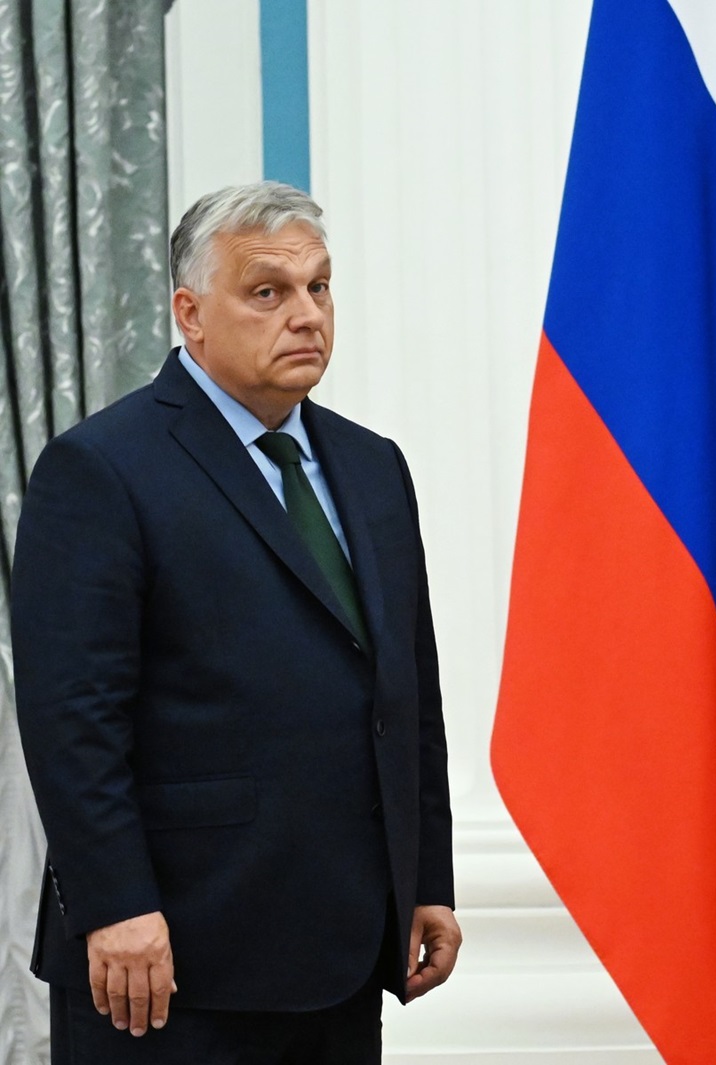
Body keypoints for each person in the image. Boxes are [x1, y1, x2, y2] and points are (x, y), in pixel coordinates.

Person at [13, 181, 460, 1063]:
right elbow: (72, 721)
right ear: (190, 313)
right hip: (168, 959)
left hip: (343, 947)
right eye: (268, 292)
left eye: (319, 288)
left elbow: (410, 691)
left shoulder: (373, 467)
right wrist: (113, 902)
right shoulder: (99, 470)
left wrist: (425, 876)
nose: (306, 314)